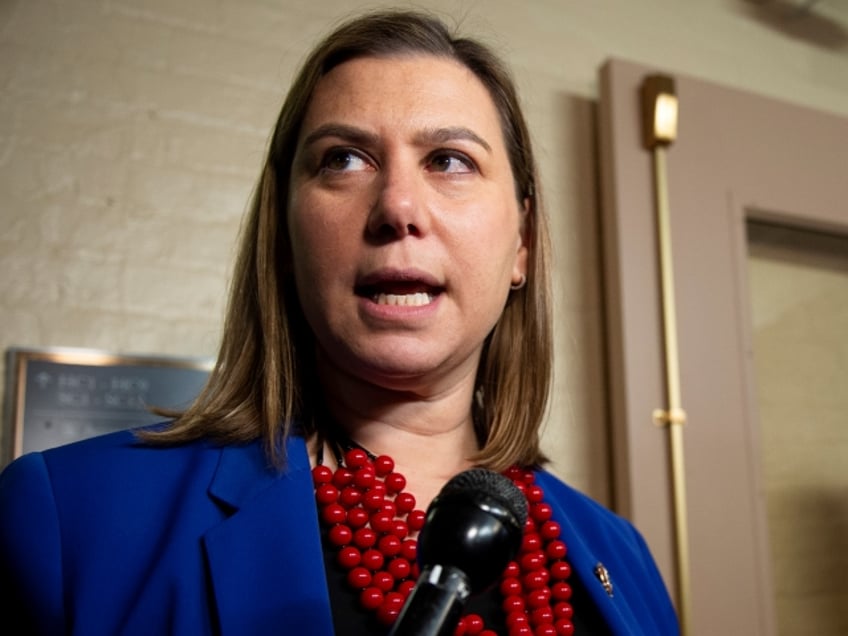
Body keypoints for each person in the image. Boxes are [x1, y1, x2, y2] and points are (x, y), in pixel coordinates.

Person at [0, 9, 679, 635]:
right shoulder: (68, 519)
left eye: (449, 160)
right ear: (285, 236)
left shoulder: (625, 556)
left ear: (522, 243)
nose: (398, 206)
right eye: (343, 160)